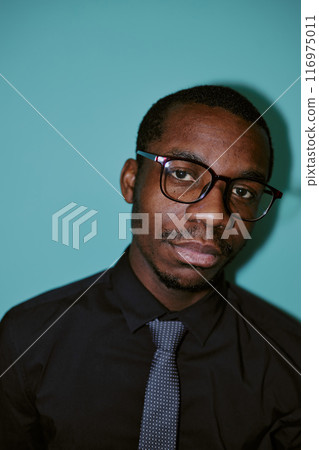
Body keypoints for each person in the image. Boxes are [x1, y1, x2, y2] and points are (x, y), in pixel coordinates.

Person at [0, 85, 300, 449]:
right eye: (184, 175)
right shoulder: (28, 338)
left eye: (244, 191)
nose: (215, 214)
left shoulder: (295, 362)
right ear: (131, 181)